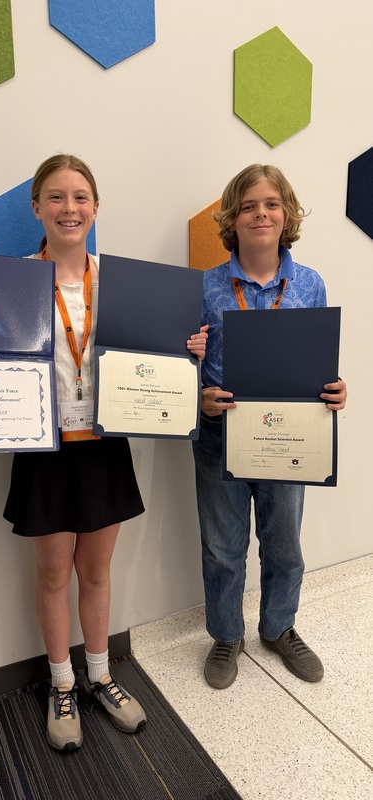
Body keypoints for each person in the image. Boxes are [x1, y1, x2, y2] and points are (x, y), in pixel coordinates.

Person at [0, 153, 208, 751]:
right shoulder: (8, 285)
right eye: (55, 196)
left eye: (80, 197)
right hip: (43, 448)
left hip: (104, 445)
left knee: (96, 571)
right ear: (36, 208)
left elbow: (151, 355)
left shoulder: (122, 284)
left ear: (96, 208)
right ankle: (62, 685)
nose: (69, 208)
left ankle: (100, 676)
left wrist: (186, 351)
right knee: (54, 573)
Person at [193, 164, 347, 691]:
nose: (261, 214)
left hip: (290, 436)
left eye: (272, 204)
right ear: (232, 219)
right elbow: (185, 363)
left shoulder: (310, 283)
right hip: (220, 435)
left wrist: (336, 389)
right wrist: (200, 398)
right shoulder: (206, 286)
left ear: (287, 215)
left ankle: (279, 627)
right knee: (221, 546)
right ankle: (226, 635)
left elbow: (318, 362)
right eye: (248, 206)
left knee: (284, 544)